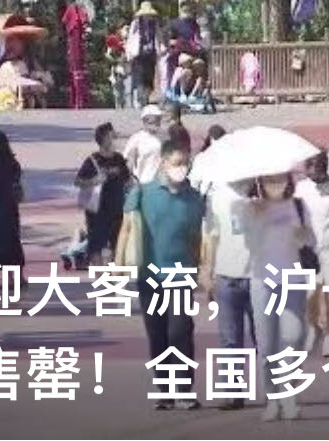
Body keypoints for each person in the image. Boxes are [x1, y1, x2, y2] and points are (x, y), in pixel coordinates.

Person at [115, 141, 205, 411]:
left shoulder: (194, 198)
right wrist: (118, 265)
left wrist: (200, 268)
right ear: (163, 163)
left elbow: (197, 237)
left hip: (181, 275)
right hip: (150, 275)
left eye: (185, 163)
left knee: (180, 331)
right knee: (157, 333)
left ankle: (184, 389)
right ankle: (165, 390)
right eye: (177, 163)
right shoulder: (143, 193)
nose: (182, 168)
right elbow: (126, 229)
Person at [240, 172, 317, 421]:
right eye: (270, 180)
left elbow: (311, 240)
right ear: (260, 182)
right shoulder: (250, 208)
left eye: (281, 179)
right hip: (262, 281)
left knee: (294, 337)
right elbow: (248, 242)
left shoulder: (298, 205)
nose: (277, 184)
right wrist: (258, 218)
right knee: (267, 345)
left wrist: (302, 235)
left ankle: (289, 395)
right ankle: (272, 398)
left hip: (292, 280)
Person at [198, 178, 257, 411]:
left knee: (264, 338)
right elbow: (212, 237)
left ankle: (277, 392)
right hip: (226, 276)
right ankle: (232, 392)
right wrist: (207, 271)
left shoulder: (263, 194)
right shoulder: (217, 197)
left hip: (259, 276)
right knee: (230, 339)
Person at [294, 153, 329, 357]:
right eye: (310, 171)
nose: (314, 175)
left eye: (318, 171)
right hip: (308, 249)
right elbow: (293, 217)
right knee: (310, 296)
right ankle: (314, 327)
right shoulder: (301, 188)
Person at [74, 122, 130, 267]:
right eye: (112, 136)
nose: (115, 139)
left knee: (117, 245)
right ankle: (100, 276)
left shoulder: (119, 159)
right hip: (97, 212)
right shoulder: (93, 160)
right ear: (103, 139)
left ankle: (113, 274)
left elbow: (127, 179)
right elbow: (78, 181)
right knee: (96, 246)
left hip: (117, 209)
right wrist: (94, 180)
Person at [0, 131, 25, 268]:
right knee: (13, 235)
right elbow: (16, 178)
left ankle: (4, 269)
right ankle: (18, 269)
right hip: (11, 202)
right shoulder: (13, 162)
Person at [126, 1, 161, 107]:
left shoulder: (154, 24)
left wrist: (159, 50)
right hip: (139, 54)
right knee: (140, 76)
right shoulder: (136, 24)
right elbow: (131, 38)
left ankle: (147, 97)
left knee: (150, 77)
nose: (147, 16)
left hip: (151, 53)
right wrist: (129, 53)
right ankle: (142, 99)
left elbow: (158, 37)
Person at [123, 105, 164, 184]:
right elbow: (127, 161)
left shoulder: (162, 138)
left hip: (157, 183)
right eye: (155, 119)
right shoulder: (136, 139)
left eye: (159, 119)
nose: (158, 122)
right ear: (145, 121)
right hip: (141, 183)